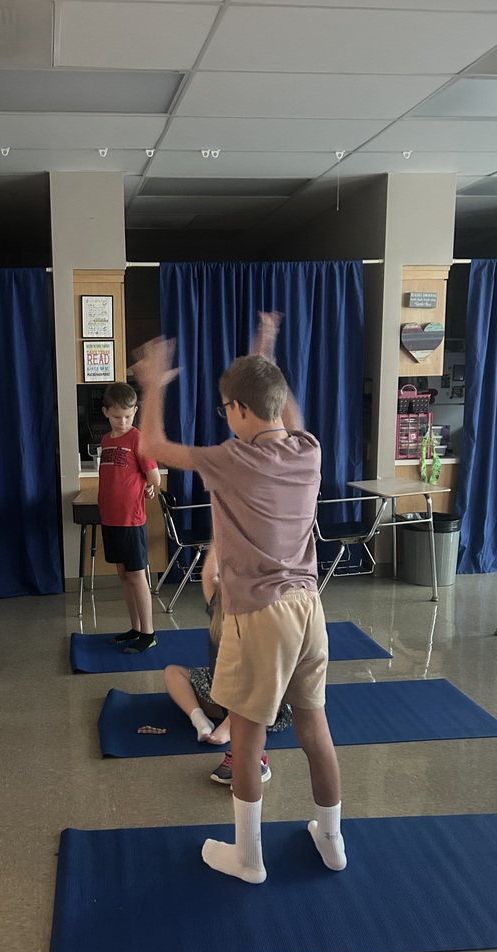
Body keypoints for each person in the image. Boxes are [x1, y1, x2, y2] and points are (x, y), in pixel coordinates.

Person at [134, 329, 346, 885]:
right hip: (309, 609)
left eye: (227, 409)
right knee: (314, 728)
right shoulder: (308, 448)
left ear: (239, 410)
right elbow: (282, 411)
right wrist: (266, 360)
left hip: (261, 615)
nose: (225, 418)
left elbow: (151, 448)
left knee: (247, 742)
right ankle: (332, 840)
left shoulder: (231, 459)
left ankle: (248, 858)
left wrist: (153, 383)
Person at [162, 546, 273, 784]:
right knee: (172, 672)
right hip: (220, 690)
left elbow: (266, 676)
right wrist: (220, 541)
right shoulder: (218, 603)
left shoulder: (258, 614)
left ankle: (242, 741)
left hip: (256, 697)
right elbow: (208, 575)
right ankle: (200, 719)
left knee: (254, 684)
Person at [98, 382, 161, 654]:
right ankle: (135, 627)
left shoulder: (138, 438)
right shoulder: (106, 440)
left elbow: (154, 475)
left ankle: (148, 632)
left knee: (137, 576)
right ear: (106, 413)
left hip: (131, 520)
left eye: (127, 416)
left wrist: (150, 486)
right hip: (111, 518)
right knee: (123, 575)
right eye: (116, 416)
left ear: (135, 411)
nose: (122, 422)